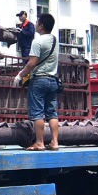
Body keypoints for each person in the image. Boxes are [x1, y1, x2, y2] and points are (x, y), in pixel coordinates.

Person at [16, 12, 60, 150]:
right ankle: (54, 142)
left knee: (37, 113)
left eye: (37, 22)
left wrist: (20, 75)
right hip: (53, 80)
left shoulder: (38, 41)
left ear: (41, 26)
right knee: (52, 113)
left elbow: (32, 63)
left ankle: (39, 143)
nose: (35, 24)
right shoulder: (54, 40)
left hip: (39, 80)